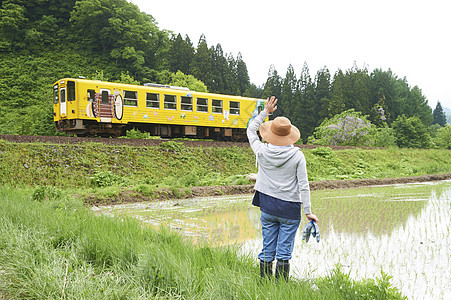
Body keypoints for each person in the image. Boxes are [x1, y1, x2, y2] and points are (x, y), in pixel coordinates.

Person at [247, 96, 319, 280]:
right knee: (284, 252)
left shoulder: (261, 151)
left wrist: (265, 112)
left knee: (267, 248)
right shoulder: (297, 156)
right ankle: (280, 287)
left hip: (268, 206)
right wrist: (308, 211)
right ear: (289, 135)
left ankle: (264, 285)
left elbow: (250, 130)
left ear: (271, 133)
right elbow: (304, 186)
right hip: (289, 209)